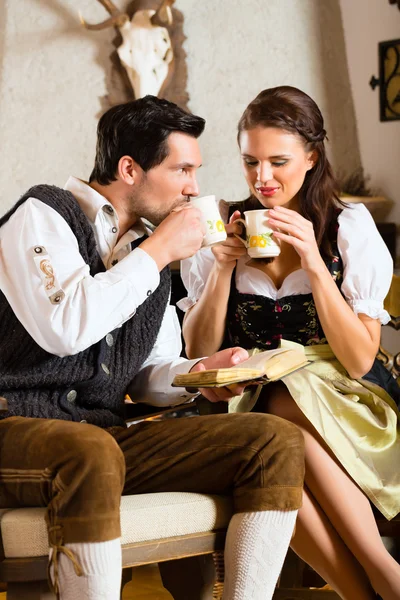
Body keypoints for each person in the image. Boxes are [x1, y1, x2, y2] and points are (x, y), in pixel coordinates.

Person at [0, 95, 305, 600]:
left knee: (272, 442)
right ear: (129, 169)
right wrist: (159, 250)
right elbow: (65, 328)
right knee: (90, 451)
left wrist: (203, 373)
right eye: (183, 169)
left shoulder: (150, 251)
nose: (195, 188)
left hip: (96, 439)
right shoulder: (42, 214)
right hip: (15, 426)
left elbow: (148, 371)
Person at [180, 86, 400, 600]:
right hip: (247, 398)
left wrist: (314, 264)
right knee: (266, 454)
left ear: (312, 156)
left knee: (280, 403)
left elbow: (360, 358)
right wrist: (222, 267)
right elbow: (199, 347)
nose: (262, 178)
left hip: (343, 398)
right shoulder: (222, 227)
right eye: (250, 161)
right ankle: (376, 588)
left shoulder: (347, 226)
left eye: (278, 162)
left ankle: (381, 575)